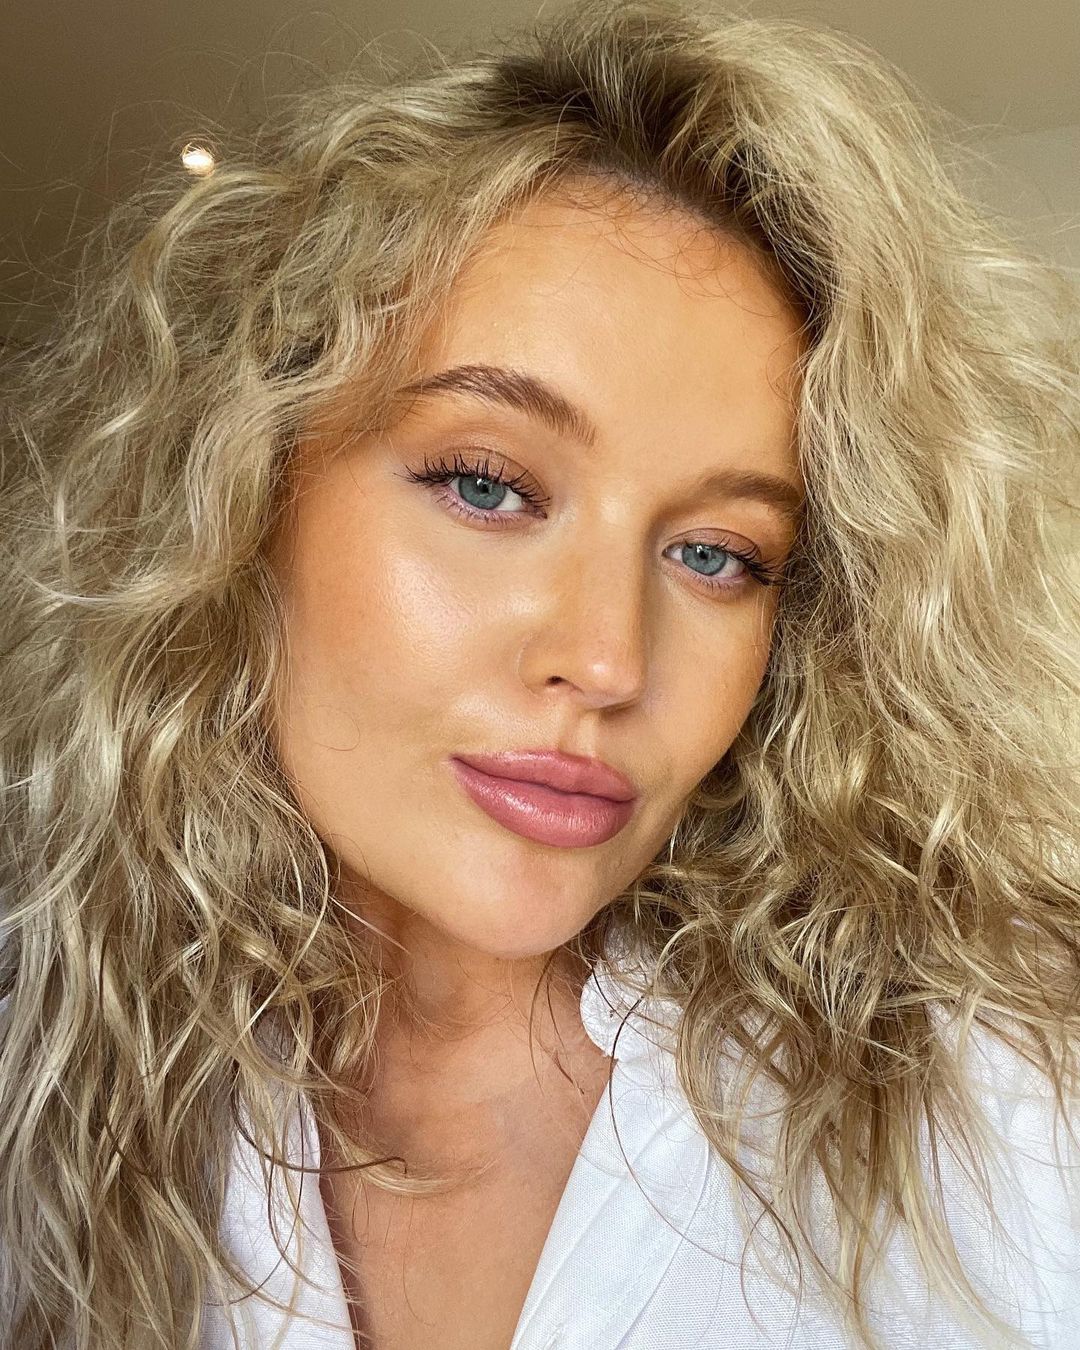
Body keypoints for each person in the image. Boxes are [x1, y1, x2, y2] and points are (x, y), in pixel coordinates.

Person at [1, 0, 1078, 1346]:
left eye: (717, 554)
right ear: (243, 500)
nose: (608, 660)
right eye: (486, 484)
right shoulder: (50, 1080)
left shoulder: (1002, 1123)